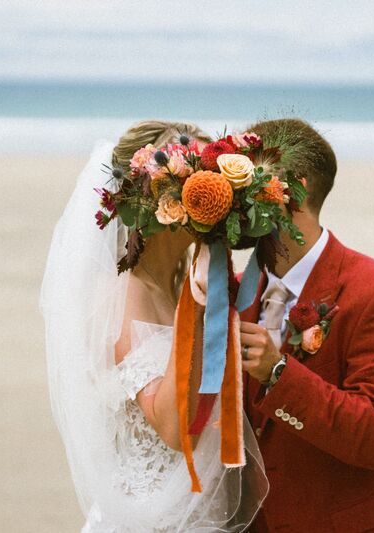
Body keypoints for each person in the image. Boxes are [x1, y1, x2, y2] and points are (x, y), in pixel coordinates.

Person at [40, 121, 267, 532]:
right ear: (158, 200)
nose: (218, 200)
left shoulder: (178, 286)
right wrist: (197, 310)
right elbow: (175, 430)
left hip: (196, 513)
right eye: (201, 185)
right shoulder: (124, 297)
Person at [237, 118, 374, 532]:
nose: (234, 204)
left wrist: (278, 373)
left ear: (298, 194)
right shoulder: (231, 294)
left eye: (245, 191)